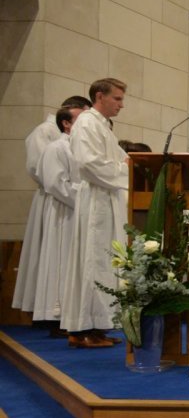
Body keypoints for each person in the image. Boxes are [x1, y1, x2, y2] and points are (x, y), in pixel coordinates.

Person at [60, 78, 129, 348]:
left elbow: (120, 158)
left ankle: (98, 325)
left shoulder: (102, 126)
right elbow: (89, 163)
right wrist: (125, 170)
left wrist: (128, 164)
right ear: (100, 96)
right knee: (93, 260)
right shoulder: (87, 123)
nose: (121, 105)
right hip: (97, 199)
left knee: (105, 262)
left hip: (107, 196)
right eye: (117, 99)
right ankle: (83, 328)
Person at [13, 95, 91, 319]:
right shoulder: (46, 134)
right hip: (56, 202)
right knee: (55, 257)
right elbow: (43, 173)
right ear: (67, 118)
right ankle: (52, 311)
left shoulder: (76, 142)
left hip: (72, 200)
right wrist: (84, 198)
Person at [31, 106, 84, 334]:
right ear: (66, 123)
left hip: (80, 211)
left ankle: (79, 319)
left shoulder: (79, 147)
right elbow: (55, 183)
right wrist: (86, 199)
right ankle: (58, 315)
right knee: (62, 262)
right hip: (65, 212)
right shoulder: (57, 147)